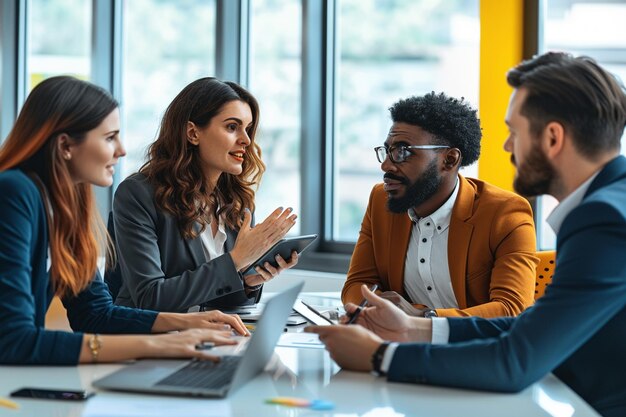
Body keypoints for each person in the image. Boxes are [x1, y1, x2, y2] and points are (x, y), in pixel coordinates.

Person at [307, 52, 626, 417]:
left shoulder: (605, 221)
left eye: (514, 132)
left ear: (552, 138)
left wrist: (381, 356)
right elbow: (530, 329)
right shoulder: (611, 206)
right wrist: (414, 329)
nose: (507, 146)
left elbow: (515, 362)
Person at [0, 76, 249, 365]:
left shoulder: (65, 207)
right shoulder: (15, 192)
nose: (122, 150)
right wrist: (157, 345)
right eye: (110, 137)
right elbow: (13, 340)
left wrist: (190, 323)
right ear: (66, 145)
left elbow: (95, 314)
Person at [109, 77, 298, 313]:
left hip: (211, 338)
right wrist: (237, 260)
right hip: (153, 342)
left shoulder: (237, 201)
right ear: (192, 133)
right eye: (232, 127)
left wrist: (247, 282)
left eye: (248, 129)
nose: (246, 140)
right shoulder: (138, 194)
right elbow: (150, 298)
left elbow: (220, 302)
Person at [342, 92, 537, 318]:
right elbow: (357, 284)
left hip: (476, 348)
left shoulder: (505, 214)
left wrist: (423, 318)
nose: (386, 165)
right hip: (407, 346)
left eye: (402, 152)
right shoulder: (381, 201)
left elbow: (511, 310)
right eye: (388, 151)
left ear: (450, 159)